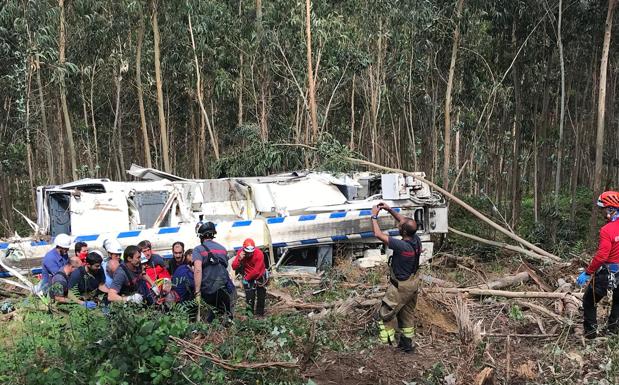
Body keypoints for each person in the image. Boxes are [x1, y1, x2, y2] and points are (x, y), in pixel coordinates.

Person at [370, 202, 422, 353]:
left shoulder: (402, 246)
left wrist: (374, 216)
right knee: (407, 314)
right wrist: (390, 210)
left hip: (401, 286)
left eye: (401, 226)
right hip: (413, 283)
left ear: (403, 231)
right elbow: (404, 222)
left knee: (385, 313)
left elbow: (378, 235)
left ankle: (386, 347)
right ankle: (407, 345)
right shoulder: (415, 239)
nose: (399, 224)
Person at [576, 191, 619, 338]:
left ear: (611, 209)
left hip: (607, 273)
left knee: (589, 301)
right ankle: (613, 331)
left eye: (603, 209)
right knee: (618, 302)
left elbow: (602, 255)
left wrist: (588, 272)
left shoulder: (607, 230)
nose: (602, 213)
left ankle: (591, 335)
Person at [192, 221, 234, 322]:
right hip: (225, 290)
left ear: (200, 236)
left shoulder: (198, 250)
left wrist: (197, 292)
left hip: (208, 291)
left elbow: (198, 270)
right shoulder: (223, 249)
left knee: (209, 320)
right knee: (225, 318)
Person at [231, 238, 268, 316]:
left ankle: (259, 314)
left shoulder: (259, 253)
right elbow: (234, 267)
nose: (250, 254)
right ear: (244, 250)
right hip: (247, 276)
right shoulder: (240, 253)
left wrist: (247, 278)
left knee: (261, 296)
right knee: (249, 297)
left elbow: (257, 270)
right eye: (248, 252)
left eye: (251, 252)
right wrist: (239, 259)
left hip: (259, 275)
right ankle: (249, 315)